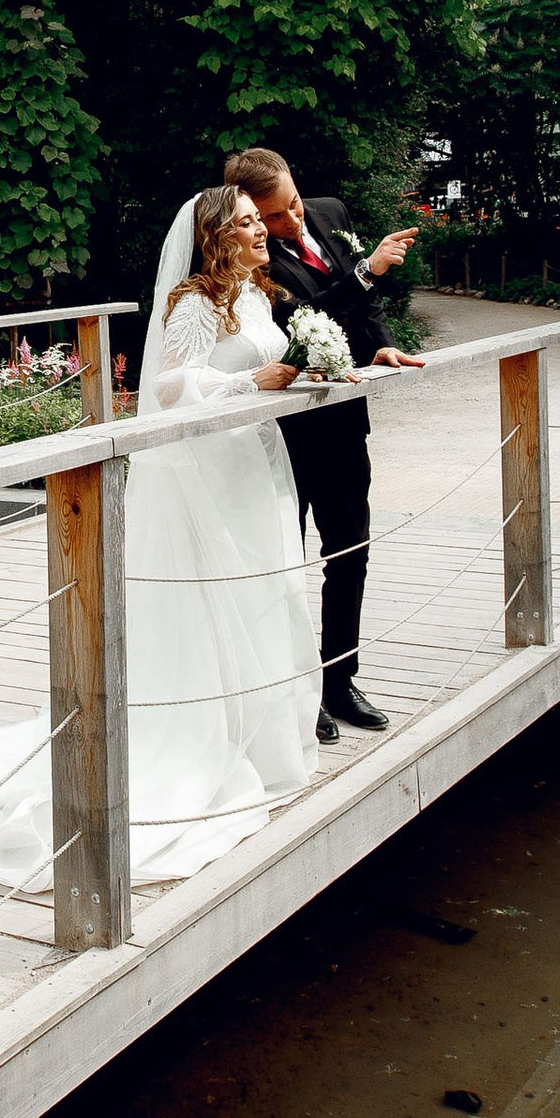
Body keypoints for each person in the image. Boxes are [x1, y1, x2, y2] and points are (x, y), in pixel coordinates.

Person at [0, 185, 320, 888]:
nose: (260, 230)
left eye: (259, 221)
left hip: (250, 462)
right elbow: (165, 388)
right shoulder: (192, 303)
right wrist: (254, 384)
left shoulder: (256, 293)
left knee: (260, 588)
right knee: (209, 598)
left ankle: (264, 734)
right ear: (216, 237)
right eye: (247, 223)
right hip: (205, 466)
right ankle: (200, 737)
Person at [221, 147, 422, 742]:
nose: (292, 222)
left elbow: (363, 307)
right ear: (248, 213)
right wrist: (365, 273)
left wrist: (380, 343)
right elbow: (299, 322)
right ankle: (298, 692)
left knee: (349, 553)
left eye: (293, 206)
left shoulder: (331, 213)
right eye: (275, 216)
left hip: (342, 421)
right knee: (285, 562)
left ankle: (340, 681)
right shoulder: (247, 254)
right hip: (283, 434)